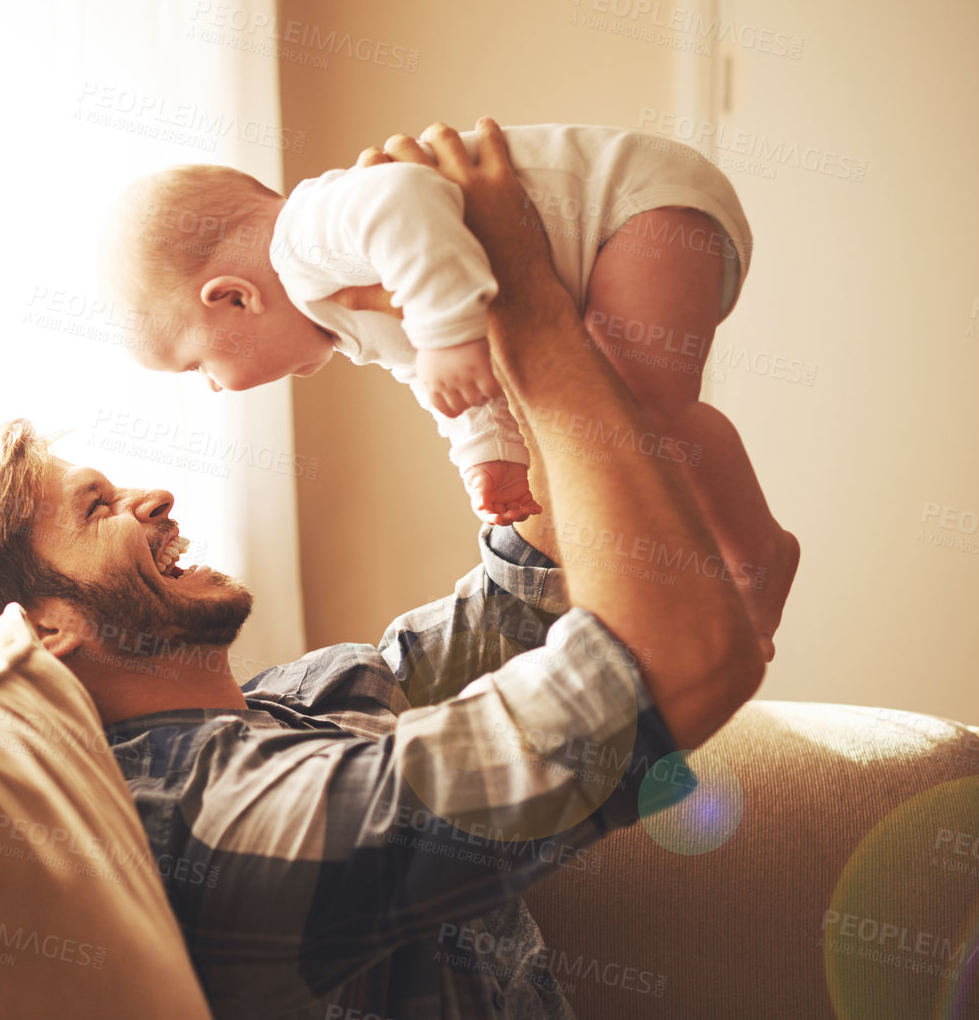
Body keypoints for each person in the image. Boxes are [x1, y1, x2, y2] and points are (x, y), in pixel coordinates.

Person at [0, 119, 766, 1020]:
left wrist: (487, 296)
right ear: (46, 629)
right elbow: (679, 657)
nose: (152, 498)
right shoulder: (225, 824)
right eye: (98, 508)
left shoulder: (300, 699)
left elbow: (524, 601)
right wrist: (529, 301)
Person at [101, 122, 796, 659]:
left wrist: (444, 335)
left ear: (232, 298)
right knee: (614, 424)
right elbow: (445, 377)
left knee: (638, 408)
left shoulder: (304, 240)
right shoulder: (341, 313)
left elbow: (404, 195)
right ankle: (710, 577)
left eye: (197, 367)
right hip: (621, 232)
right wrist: (486, 455)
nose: (215, 390)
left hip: (636, 204)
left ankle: (756, 553)